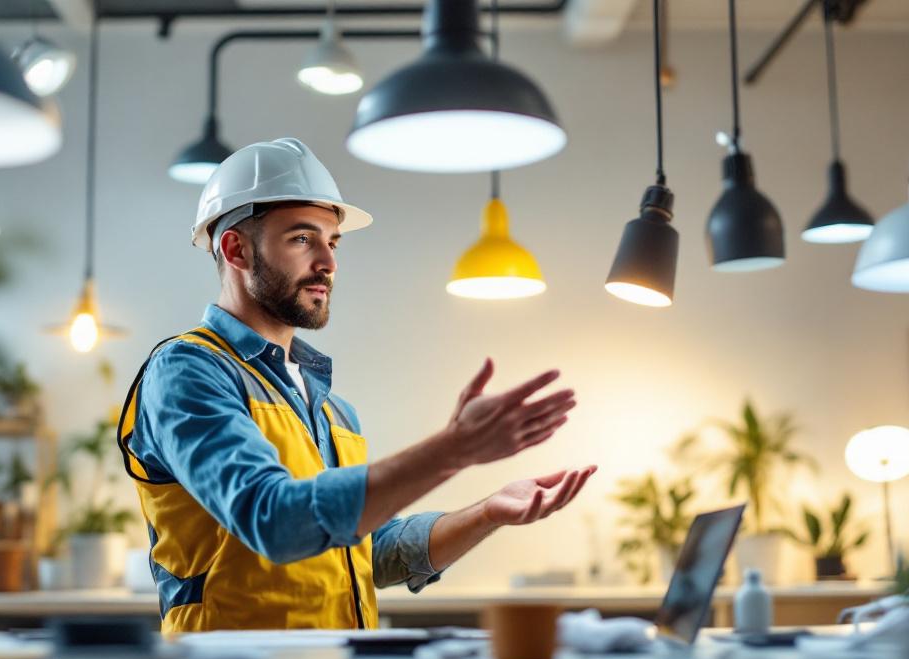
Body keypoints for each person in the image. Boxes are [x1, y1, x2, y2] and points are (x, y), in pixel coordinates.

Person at [117, 138, 596, 632]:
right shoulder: (188, 370)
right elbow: (272, 519)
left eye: (333, 241)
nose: (328, 261)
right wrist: (456, 448)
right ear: (236, 249)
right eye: (303, 239)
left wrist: (486, 513)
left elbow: (369, 551)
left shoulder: (331, 409)